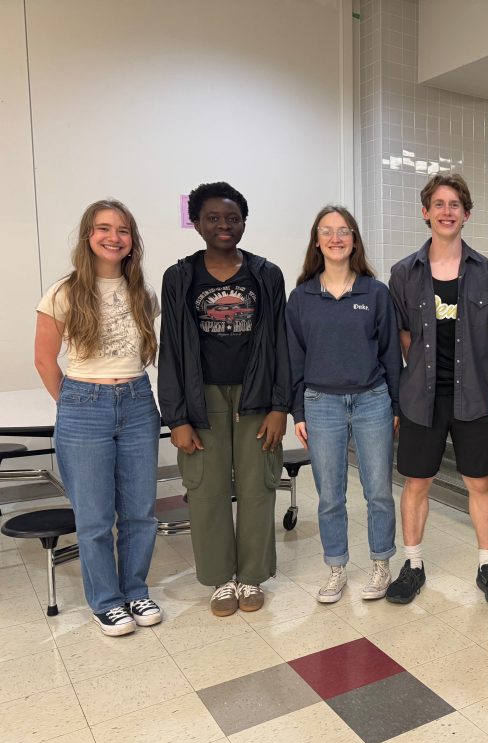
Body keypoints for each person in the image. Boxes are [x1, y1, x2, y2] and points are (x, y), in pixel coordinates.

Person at [158, 181, 289, 617]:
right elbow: (171, 350)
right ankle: (219, 579)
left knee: (257, 489)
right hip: (202, 402)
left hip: (255, 399)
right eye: (213, 218)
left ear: (244, 223)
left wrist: (279, 406)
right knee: (207, 491)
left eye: (232, 218)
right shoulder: (179, 277)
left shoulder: (266, 275)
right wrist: (176, 417)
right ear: (196, 223)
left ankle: (251, 576)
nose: (223, 225)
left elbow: (281, 345)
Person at [34, 199, 162, 636]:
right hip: (83, 404)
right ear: (88, 236)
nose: (113, 237)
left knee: (140, 511)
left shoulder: (143, 294)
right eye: (104, 228)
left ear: (132, 241)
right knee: (93, 516)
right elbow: (44, 361)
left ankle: (135, 590)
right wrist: (73, 404)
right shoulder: (63, 292)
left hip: (138, 403)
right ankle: (106, 602)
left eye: (122, 230)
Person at [386, 173, 488, 606]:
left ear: (467, 214)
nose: (446, 211)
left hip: (473, 395)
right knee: (417, 483)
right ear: (425, 212)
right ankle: (413, 565)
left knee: (480, 484)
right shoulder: (403, 273)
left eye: (455, 204)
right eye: (438, 204)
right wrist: (421, 364)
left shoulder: (487, 272)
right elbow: (401, 333)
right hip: (422, 397)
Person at [286, 205, 401, 603]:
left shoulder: (376, 292)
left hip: (372, 401)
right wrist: (298, 411)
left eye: (344, 231)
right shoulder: (301, 297)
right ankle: (336, 567)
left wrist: (396, 406)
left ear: (354, 240)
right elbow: (294, 359)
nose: (336, 238)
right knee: (331, 495)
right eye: (327, 231)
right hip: (321, 404)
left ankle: (381, 563)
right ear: (316, 241)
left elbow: (390, 355)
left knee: (379, 492)